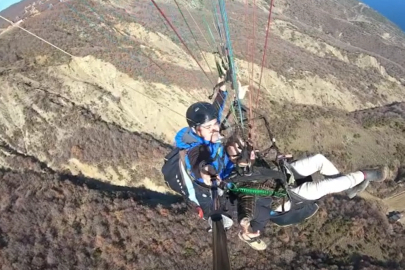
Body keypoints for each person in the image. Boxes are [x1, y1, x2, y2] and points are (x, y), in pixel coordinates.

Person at [224, 138, 388, 250]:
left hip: (281, 179)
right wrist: (245, 227)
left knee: (318, 159)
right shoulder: (243, 182)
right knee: (325, 186)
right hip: (284, 199)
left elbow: (267, 171)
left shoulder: (253, 163)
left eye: (247, 147)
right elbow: (246, 203)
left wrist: (281, 161)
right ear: (237, 159)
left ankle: (348, 187)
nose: (250, 151)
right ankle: (365, 175)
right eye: (244, 150)